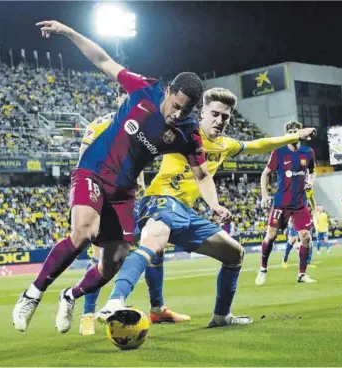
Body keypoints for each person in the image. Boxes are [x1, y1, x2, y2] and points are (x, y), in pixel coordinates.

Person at [13, 20, 227, 334]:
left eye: (186, 111)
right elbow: (102, 59)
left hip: (124, 192)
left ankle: (70, 295)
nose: (178, 115)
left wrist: (215, 204)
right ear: (167, 92)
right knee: (84, 231)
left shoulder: (188, 132)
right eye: (176, 106)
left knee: (114, 261)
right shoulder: (143, 88)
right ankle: (32, 294)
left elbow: (202, 174)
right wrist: (69, 32)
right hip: (93, 171)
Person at [95, 88, 317, 328]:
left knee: (235, 253)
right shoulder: (182, 129)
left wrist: (293, 137)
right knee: (154, 243)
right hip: (160, 199)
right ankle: (115, 301)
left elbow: (260, 144)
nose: (220, 120)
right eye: (215, 114)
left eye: (226, 116)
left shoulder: (226, 145)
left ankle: (221, 316)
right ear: (202, 111)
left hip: (186, 211)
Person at [78, 112, 189, 336]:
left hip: (132, 199)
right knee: (100, 256)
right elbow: (83, 162)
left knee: (154, 247)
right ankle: (87, 315)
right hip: (106, 199)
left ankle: (158, 309)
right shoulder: (101, 125)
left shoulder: (142, 126)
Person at [256, 121, 317, 285]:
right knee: (271, 236)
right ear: (286, 134)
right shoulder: (279, 152)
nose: (292, 133)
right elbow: (265, 174)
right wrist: (264, 195)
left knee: (306, 237)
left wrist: (311, 181)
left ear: (300, 133)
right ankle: (262, 268)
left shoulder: (308, 152)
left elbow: (312, 171)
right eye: (289, 131)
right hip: (281, 203)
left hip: (300, 203)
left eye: (295, 131)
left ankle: (302, 274)